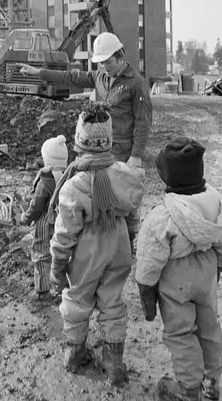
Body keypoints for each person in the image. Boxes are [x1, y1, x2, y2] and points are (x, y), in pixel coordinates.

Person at [49, 102, 145, 387]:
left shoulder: (74, 184)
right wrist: (130, 239)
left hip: (87, 250)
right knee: (112, 301)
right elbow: (133, 213)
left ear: (80, 142)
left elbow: (65, 231)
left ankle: (75, 354)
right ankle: (114, 365)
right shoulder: (124, 174)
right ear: (109, 140)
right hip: (119, 243)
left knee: (77, 298)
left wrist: (58, 263)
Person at [134, 137, 222, 401]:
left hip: (176, 279)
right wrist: (218, 268)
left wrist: (146, 292)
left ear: (168, 178)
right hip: (207, 269)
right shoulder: (218, 204)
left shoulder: (162, 215)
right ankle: (211, 383)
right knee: (209, 328)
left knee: (180, 332)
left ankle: (189, 388)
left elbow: (149, 259)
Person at [18, 32, 152, 168]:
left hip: (122, 152)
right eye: (101, 63)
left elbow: (143, 121)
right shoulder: (99, 77)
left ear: (119, 56)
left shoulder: (137, 84)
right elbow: (70, 77)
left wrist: (136, 155)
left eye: (108, 62)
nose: (105, 67)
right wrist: (40, 72)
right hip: (98, 147)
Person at [19, 134, 68, 300]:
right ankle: (62, 287)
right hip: (65, 220)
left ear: (47, 159)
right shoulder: (69, 176)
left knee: (41, 254)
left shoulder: (45, 180)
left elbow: (36, 207)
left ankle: (42, 290)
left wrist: (26, 218)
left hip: (46, 222)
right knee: (62, 253)